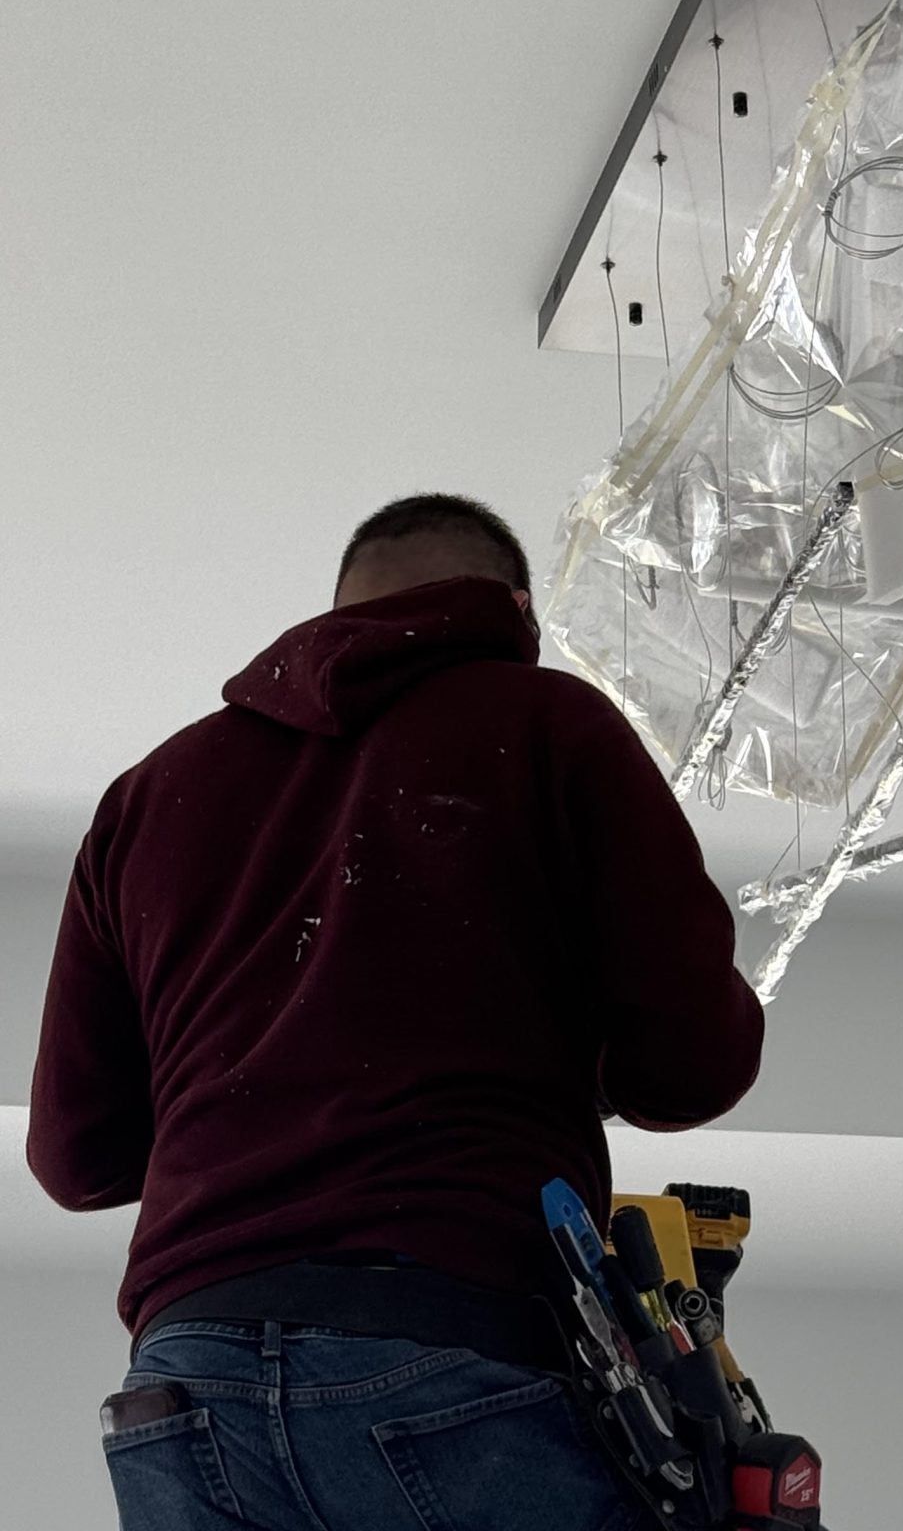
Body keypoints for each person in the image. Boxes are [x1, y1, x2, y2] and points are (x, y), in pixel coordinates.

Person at [29, 491, 764, 1530]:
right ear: (513, 606)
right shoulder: (549, 723)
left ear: (336, 611)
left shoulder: (148, 797)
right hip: (449, 1327)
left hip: (189, 1380)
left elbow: (78, 1157)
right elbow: (694, 1066)